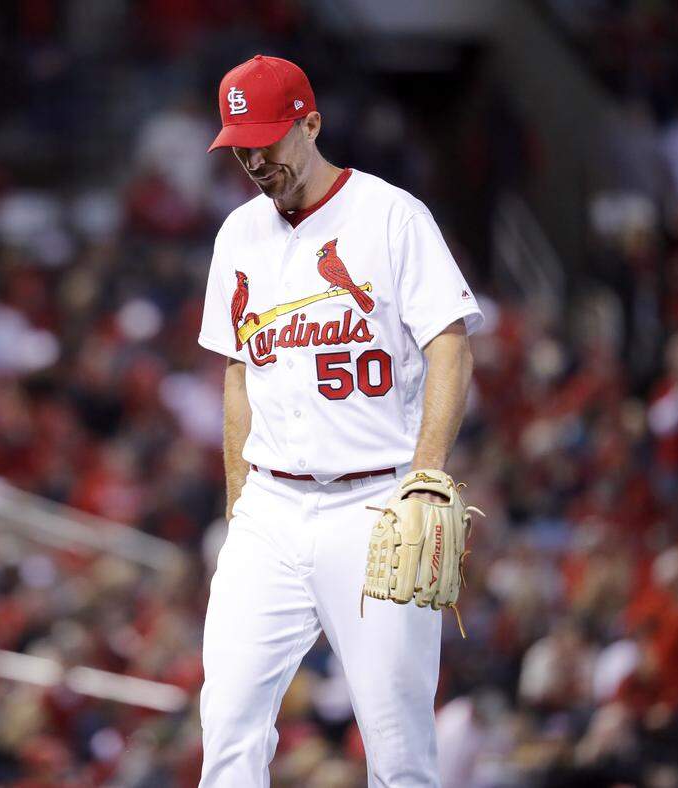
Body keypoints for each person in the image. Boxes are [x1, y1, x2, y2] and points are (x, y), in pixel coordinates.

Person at [197, 55, 484, 786]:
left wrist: (425, 476)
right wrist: (240, 502)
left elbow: (448, 344)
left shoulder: (390, 216)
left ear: (311, 124)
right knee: (227, 728)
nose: (255, 159)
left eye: (268, 138)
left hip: (374, 504)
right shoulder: (238, 235)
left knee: (397, 749)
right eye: (241, 145)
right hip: (271, 506)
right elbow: (238, 372)